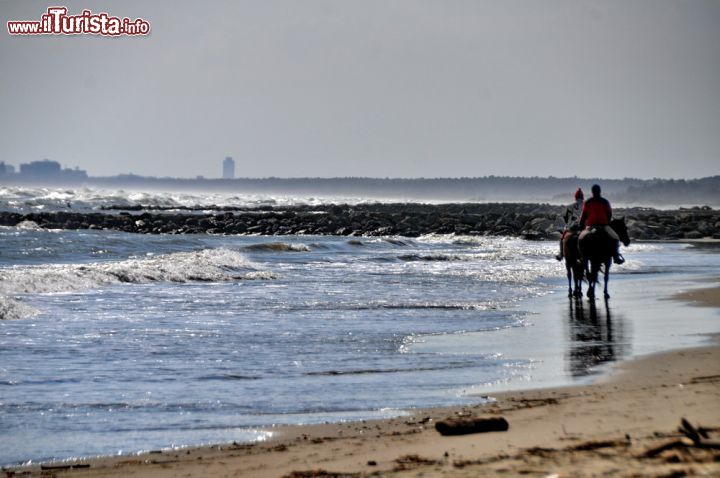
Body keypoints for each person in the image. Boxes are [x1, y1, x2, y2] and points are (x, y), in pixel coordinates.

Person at [578, 184, 625, 264]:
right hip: (603, 226)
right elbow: (609, 214)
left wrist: (581, 224)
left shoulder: (588, 202)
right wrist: (607, 221)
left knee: (580, 239)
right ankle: (616, 256)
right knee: (615, 238)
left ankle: (582, 257)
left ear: (592, 192)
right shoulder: (605, 202)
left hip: (590, 227)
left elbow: (584, 215)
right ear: (600, 191)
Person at [555, 188, 584, 261]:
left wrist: (567, 223)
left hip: (573, 225)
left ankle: (561, 254)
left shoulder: (570, 206)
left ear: (576, 197)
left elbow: (565, 217)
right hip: (584, 225)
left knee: (563, 237)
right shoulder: (586, 205)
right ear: (582, 197)